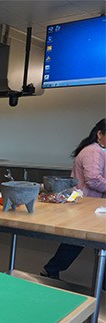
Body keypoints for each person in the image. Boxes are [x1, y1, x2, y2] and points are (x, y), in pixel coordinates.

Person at [41, 118, 106, 279]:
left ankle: (51, 269)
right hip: (89, 205)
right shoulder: (94, 151)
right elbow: (93, 179)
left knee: (76, 242)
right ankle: (51, 269)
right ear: (100, 134)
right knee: (75, 242)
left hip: (90, 204)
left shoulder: (97, 150)